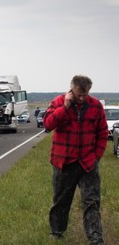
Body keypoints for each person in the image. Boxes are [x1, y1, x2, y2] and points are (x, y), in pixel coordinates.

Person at [43, 75, 108, 244]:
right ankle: (57, 232)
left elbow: (102, 133)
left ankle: (95, 238)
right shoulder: (58, 102)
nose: (82, 98)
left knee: (91, 201)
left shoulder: (96, 106)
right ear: (71, 90)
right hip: (63, 162)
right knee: (61, 201)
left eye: (85, 95)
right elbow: (48, 125)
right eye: (79, 94)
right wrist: (65, 107)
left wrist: (97, 156)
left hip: (88, 163)